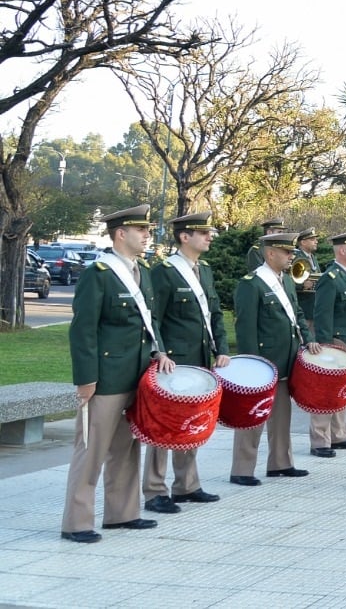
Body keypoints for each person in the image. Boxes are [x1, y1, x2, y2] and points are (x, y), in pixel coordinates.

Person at [62, 204, 173, 544]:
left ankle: (122, 514)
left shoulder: (144, 272)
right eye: (141, 231)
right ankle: (76, 522)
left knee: (127, 447)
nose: (146, 236)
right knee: (92, 448)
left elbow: (150, 321)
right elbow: (83, 331)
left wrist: (160, 350)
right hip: (106, 376)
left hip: (137, 373)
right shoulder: (99, 273)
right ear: (120, 233)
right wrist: (86, 378)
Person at [143, 211, 229, 515]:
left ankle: (187, 484)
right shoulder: (164, 271)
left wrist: (222, 348)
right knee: (164, 425)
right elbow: (153, 317)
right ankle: (155, 490)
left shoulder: (203, 270)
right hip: (173, 363)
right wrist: (160, 352)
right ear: (184, 237)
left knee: (192, 422)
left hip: (199, 358)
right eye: (203, 233)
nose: (209, 237)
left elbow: (214, 313)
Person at [233, 232, 321, 485]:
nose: (291, 257)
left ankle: (280, 463)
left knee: (282, 415)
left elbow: (297, 313)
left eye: (292, 252)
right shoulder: (252, 283)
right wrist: (251, 363)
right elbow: (245, 328)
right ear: (270, 253)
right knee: (253, 415)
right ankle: (242, 469)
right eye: (287, 252)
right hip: (263, 361)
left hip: (287, 357)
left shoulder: (286, 280)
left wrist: (308, 337)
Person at [309, 231, 346, 459]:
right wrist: (326, 346)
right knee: (326, 393)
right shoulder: (331, 278)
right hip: (336, 342)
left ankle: (339, 435)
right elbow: (322, 315)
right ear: (342, 250)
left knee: (343, 391)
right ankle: (320, 440)